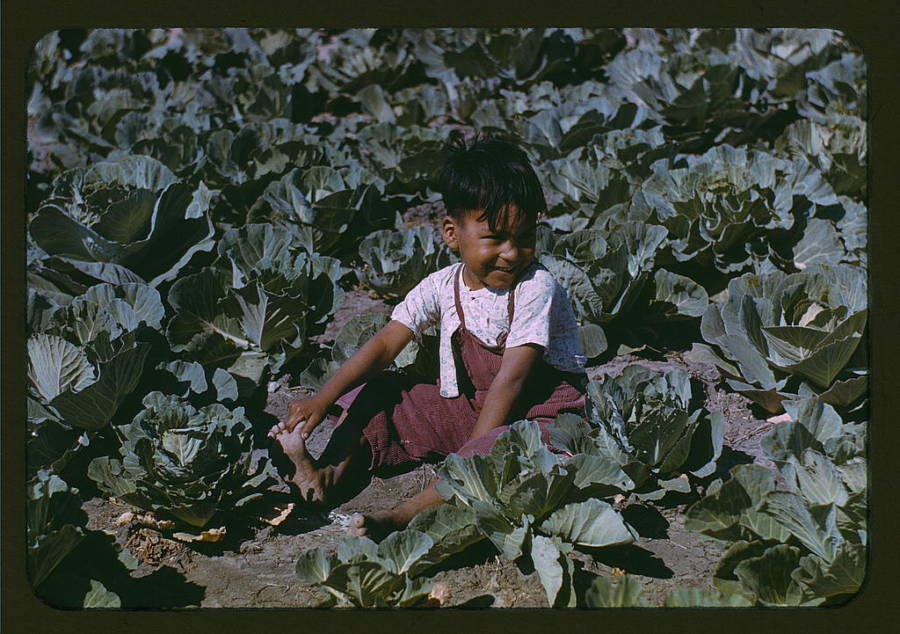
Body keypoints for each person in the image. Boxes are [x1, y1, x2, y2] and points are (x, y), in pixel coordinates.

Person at [268, 134, 588, 540]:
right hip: (471, 408)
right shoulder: (443, 285)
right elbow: (386, 344)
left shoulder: (536, 288)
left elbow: (512, 381)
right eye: (495, 238)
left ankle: (402, 516)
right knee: (382, 395)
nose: (511, 252)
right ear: (452, 233)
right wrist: (321, 398)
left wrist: (467, 458)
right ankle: (328, 475)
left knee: (506, 453)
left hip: (537, 416)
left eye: (525, 237)